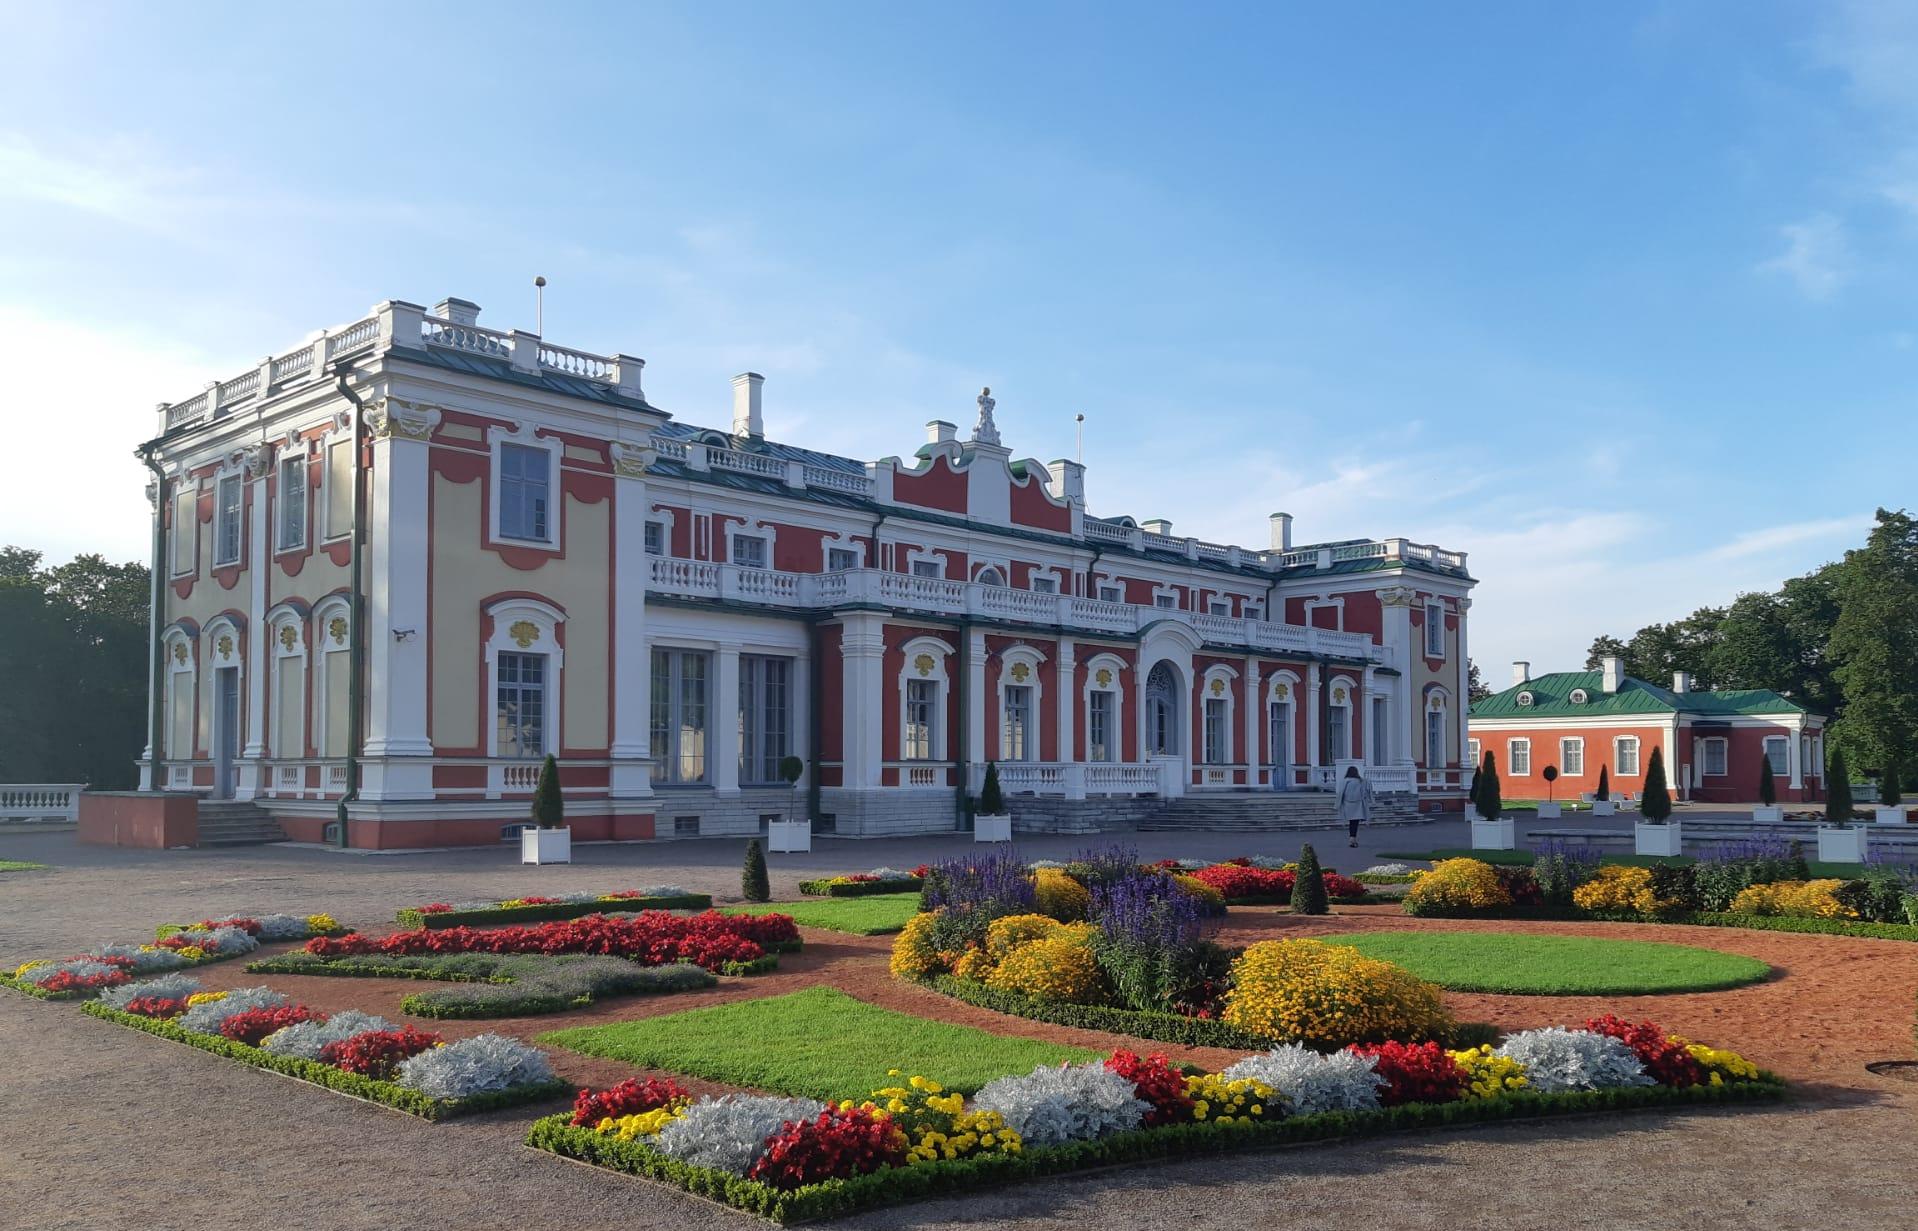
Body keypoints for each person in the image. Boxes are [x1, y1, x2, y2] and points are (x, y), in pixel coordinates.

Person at [1337, 765, 1374, 848]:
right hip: (1358, 805)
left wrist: (1337, 804)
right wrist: (1371, 800)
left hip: (1348, 805)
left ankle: (1352, 838)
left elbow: (1340, 793)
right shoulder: (1361, 781)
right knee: (1355, 823)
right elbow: (1368, 788)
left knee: (1351, 822)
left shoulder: (1344, 781)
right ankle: (1352, 838)